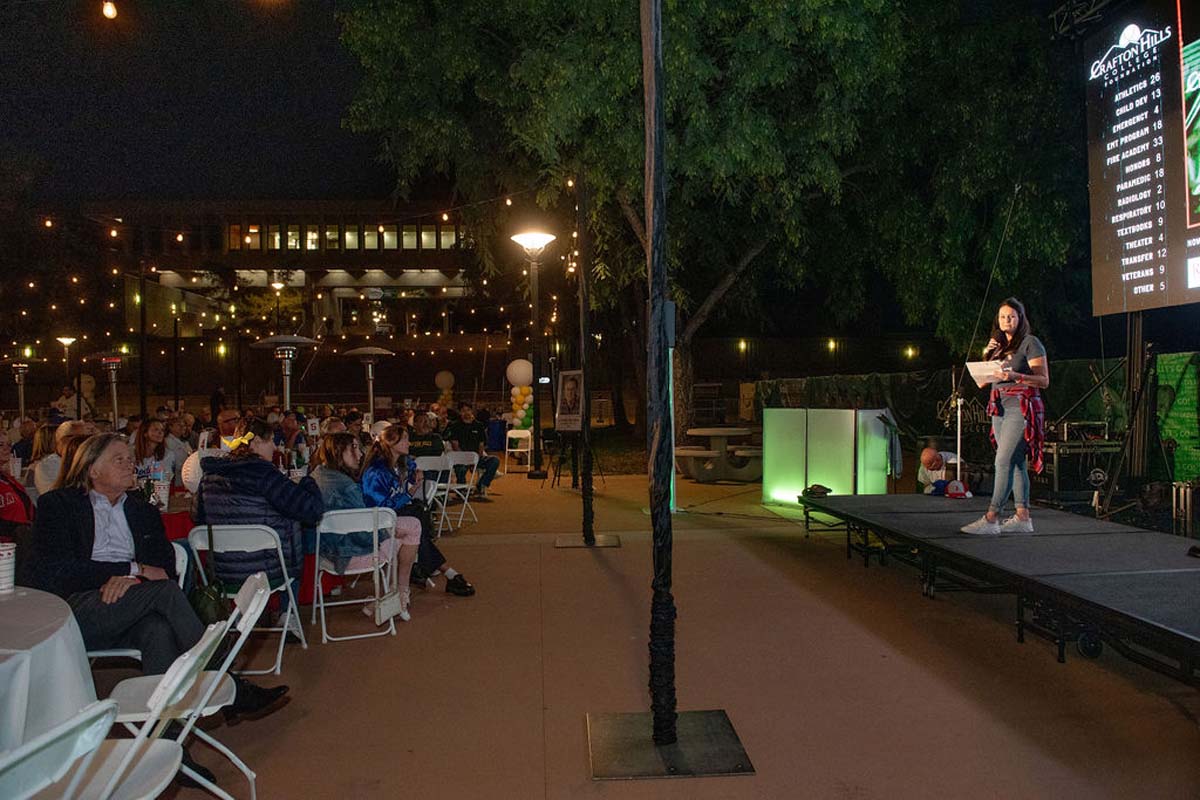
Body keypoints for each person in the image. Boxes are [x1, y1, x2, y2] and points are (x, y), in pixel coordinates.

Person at [22, 434, 288, 722]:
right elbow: (55, 572)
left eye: (130, 459)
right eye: (118, 459)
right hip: (79, 609)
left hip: (134, 604)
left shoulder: (141, 510)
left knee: (158, 630)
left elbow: (164, 566)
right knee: (163, 592)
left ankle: (165, 741)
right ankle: (227, 679)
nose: (129, 465)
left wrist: (134, 582)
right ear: (92, 469)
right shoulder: (59, 506)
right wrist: (130, 570)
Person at [193, 418, 324, 591]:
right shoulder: (266, 476)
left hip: (222, 572)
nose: (275, 447)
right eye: (270, 440)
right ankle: (288, 612)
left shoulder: (209, 477)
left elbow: (198, 518)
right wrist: (307, 482)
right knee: (295, 526)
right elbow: (312, 509)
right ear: (255, 442)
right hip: (268, 571)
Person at [961, 297, 1048, 535]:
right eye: (1002, 317)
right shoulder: (998, 347)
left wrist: (1017, 376)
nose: (1006, 320)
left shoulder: (1030, 343)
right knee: (1017, 462)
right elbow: (981, 383)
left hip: (1020, 407)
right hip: (998, 407)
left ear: (1020, 318)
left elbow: (1044, 380)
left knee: (1003, 461)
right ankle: (1023, 517)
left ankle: (991, 518)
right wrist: (986, 356)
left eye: (1011, 316)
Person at [311, 433, 419, 621]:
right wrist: (386, 532)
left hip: (324, 552)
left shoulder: (316, 475)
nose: (360, 454)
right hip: (349, 554)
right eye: (353, 448)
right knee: (408, 533)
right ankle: (397, 595)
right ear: (338, 452)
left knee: (408, 529)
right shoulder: (347, 487)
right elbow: (366, 534)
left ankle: (392, 596)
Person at [361, 424, 474, 597]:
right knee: (418, 522)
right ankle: (446, 572)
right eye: (404, 439)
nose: (409, 442)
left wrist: (416, 471)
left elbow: (412, 465)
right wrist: (408, 494)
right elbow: (380, 508)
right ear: (391, 442)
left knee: (418, 518)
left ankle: (436, 570)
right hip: (380, 521)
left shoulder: (401, 464)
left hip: (398, 516)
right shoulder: (376, 472)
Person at [445, 402, 500, 499]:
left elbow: (481, 444)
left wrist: (476, 459)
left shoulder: (478, 425)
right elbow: (455, 444)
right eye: (463, 411)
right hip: (461, 458)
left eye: (468, 410)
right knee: (460, 468)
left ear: (472, 411)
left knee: (494, 461)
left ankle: (481, 485)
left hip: (476, 457)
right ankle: (461, 489)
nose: (466, 413)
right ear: (459, 412)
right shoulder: (455, 425)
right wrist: (466, 459)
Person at [131, 417, 180, 487]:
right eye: (156, 429)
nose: (160, 433)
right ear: (145, 433)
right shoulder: (131, 452)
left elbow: (166, 479)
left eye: (162, 430)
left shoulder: (168, 454)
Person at [165, 416, 194, 486]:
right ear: (170, 427)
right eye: (178, 425)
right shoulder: (168, 441)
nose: (182, 427)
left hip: (186, 476)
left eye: (183, 425)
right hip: (175, 478)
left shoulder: (184, 442)